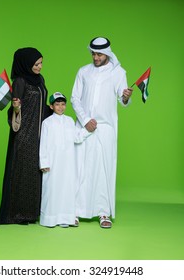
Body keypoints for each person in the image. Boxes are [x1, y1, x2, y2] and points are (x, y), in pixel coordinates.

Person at [71, 37, 133, 228]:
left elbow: (123, 101)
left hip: (105, 129)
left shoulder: (118, 73)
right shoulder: (83, 71)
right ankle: (74, 211)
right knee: (79, 169)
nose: (95, 57)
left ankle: (103, 213)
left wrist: (125, 98)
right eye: (93, 53)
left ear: (107, 53)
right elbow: (75, 98)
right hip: (84, 127)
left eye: (99, 54)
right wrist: (85, 120)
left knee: (104, 170)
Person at [0, 47, 52, 225]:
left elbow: (40, 104)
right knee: (21, 172)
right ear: (26, 64)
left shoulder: (40, 80)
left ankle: (30, 212)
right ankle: (16, 214)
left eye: (41, 63)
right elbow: (15, 108)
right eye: (36, 64)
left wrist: (51, 110)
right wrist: (16, 106)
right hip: (24, 134)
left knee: (34, 173)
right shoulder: (20, 81)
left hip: (38, 133)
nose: (40, 67)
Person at [39, 92, 91, 228]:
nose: (60, 107)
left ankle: (65, 218)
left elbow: (77, 138)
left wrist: (88, 130)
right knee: (51, 189)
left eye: (63, 104)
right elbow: (43, 143)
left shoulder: (69, 121)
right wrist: (43, 162)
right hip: (52, 162)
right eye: (57, 104)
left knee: (66, 189)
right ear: (51, 106)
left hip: (67, 162)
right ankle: (50, 218)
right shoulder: (47, 123)